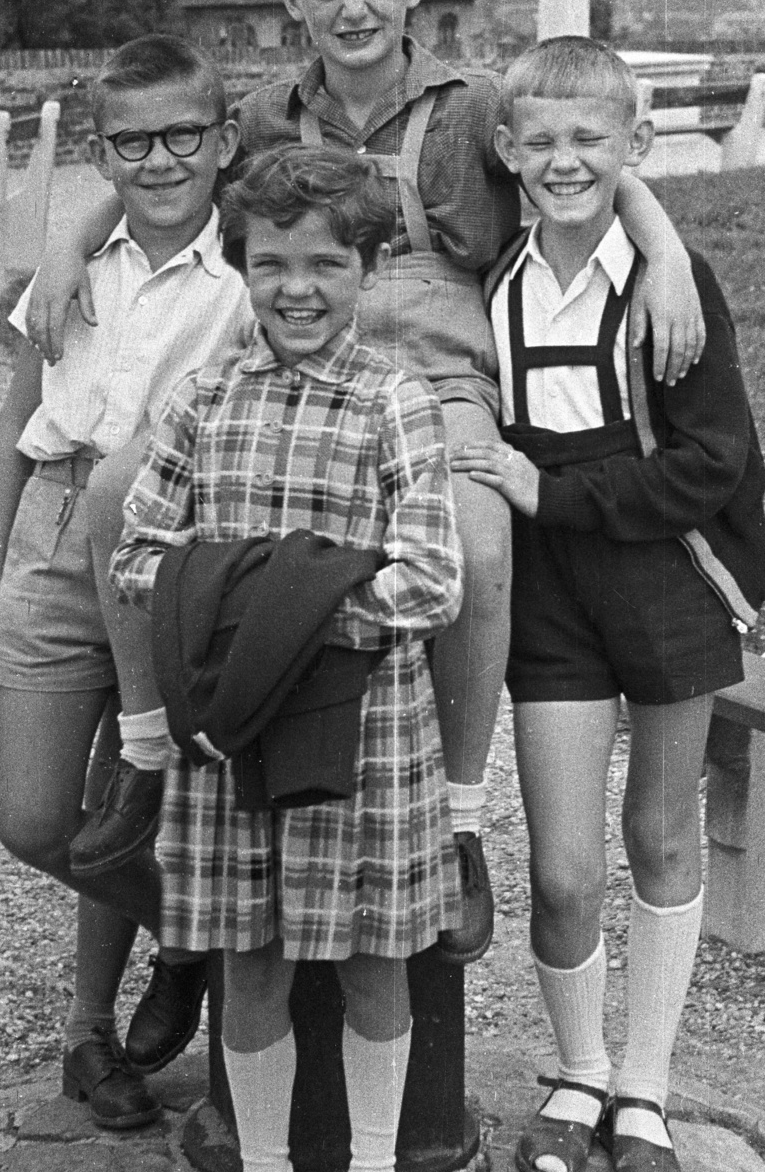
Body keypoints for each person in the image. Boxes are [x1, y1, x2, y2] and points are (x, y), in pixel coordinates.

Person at [25, 0, 705, 963]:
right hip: (282, 365)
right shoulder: (260, 116)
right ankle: (152, 756)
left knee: (479, 547)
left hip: (436, 379)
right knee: (118, 497)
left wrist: (663, 253)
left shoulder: (478, 104)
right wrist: (73, 237)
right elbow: (169, 168)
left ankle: (461, 824)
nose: (353, 10)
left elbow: (588, 156)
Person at [451, 37, 765, 1172]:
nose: (564, 159)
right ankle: (580, 1067)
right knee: (560, 869)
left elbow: (715, 462)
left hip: (665, 582)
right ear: (506, 148)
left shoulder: (666, 287)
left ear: (632, 146)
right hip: (549, 599)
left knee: (658, 829)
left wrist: (556, 490)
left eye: (592, 140)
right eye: (539, 139)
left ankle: (644, 1084)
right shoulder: (493, 279)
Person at [110, 144, 465, 1172]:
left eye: (325, 265)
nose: (297, 289)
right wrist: (278, 601)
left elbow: (434, 578)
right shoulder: (203, 398)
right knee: (251, 959)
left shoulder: (392, 401)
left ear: (367, 269)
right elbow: (138, 553)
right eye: (272, 264)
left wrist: (270, 608)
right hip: (233, 734)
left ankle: (372, 1158)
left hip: (364, 737)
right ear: (241, 264)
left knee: (371, 961)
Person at [0, 34, 251, 1128]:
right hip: (55, 533)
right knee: (38, 819)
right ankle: (195, 937)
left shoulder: (246, 269)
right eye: (132, 142)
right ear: (103, 154)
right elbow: (10, 427)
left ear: (223, 140)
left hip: (170, 555)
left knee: (132, 798)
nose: (163, 159)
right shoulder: (73, 272)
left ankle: (91, 1034)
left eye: (185, 134)